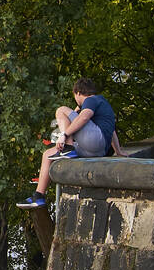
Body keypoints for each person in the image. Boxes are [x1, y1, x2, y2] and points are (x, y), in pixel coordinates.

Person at [16, 78, 123, 209]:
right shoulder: (103, 105)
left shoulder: (91, 100)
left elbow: (84, 117)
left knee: (61, 110)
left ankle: (69, 148)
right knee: (48, 154)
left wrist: (64, 135)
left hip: (94, 140)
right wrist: (118, 152)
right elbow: (111, 131)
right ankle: (38, 196)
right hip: (98, 149)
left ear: (78, 93)